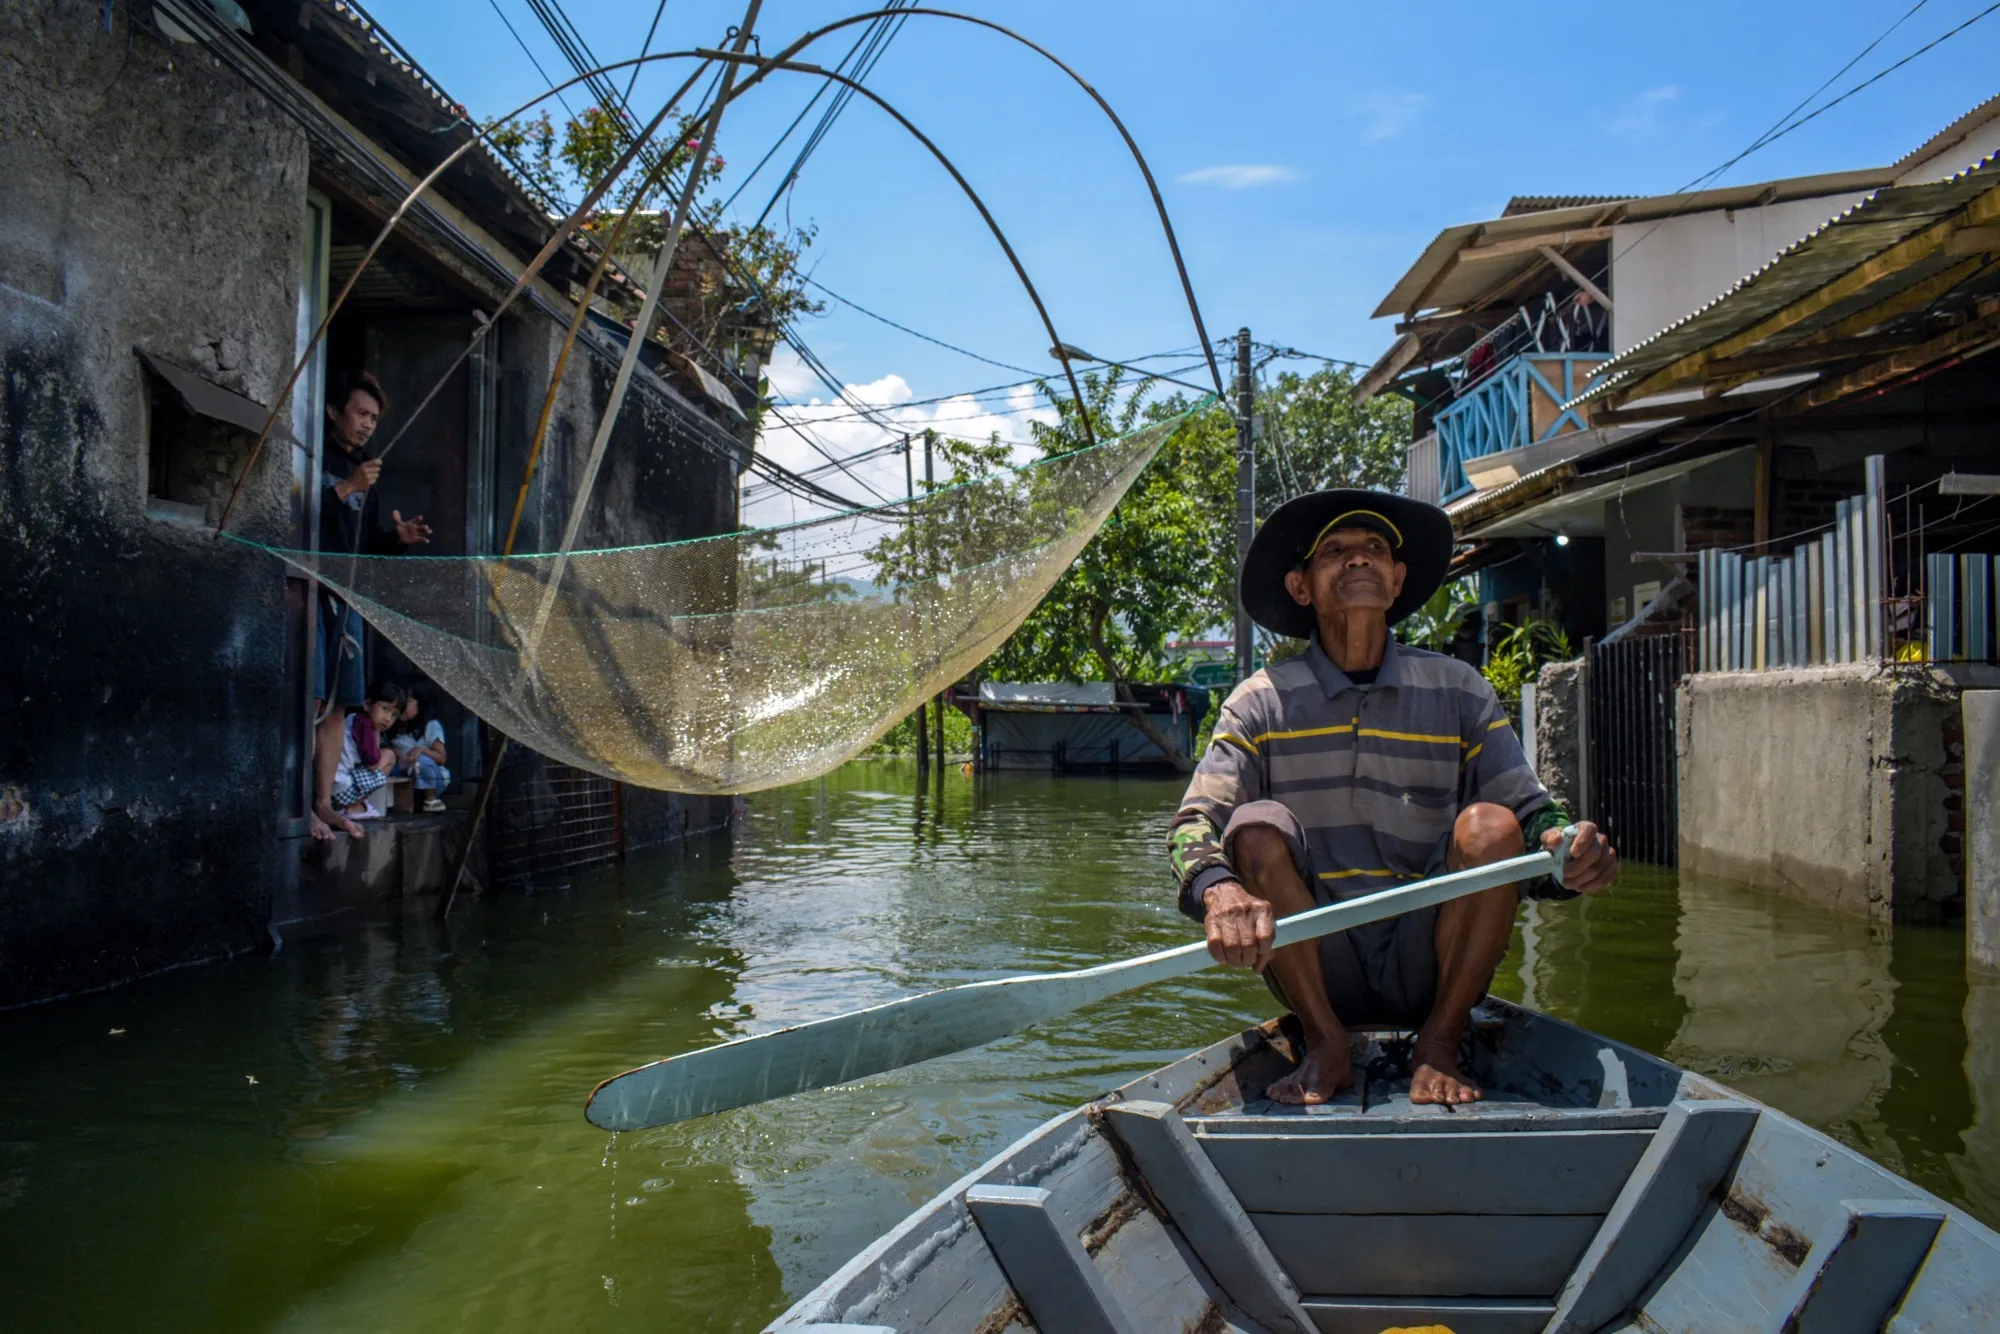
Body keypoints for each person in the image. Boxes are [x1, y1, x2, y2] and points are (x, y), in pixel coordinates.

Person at [1167, 489, 1618, 1107]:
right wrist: (1220, 892)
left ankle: (1440, 1042)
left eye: (1374, 549)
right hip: (1318, 962)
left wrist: (1570, 854)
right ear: (1301, 587)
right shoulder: (1260, 700)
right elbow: (1195, 824)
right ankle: (1327, 1043)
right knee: (1252, 827)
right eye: (1335, 552)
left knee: (1490, 823)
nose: (1358, 560)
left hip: (1432, 956)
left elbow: (1531, 814)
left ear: (1398, 579)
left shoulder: (1457, 689)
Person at [310, 369, 431, 841]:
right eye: (360, 413)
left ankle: (325, 803)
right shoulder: (313, 456)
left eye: (374, 418)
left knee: (342, 704)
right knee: (314, 698)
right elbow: (299, 519)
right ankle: (305, 805)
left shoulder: (366, 471)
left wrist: (397, 540)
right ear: (333, 412)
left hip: (349, 597)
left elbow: (366, 547)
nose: (366, 425)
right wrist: (346, 488)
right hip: (311, 590)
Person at [331, 680, 408, 820]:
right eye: (385, 709)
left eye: (394, 715)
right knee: (389, 756)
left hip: (332, 788)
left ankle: (350, 806)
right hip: (340, 790)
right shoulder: (365, 727)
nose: (388, 719)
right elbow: (373, 764)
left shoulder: (354, 719)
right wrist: (377, 737)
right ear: (367, 705)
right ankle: (353, 807)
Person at [391, 685, 453, 813]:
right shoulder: (390, 726)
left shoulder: (430, 726)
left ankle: (431, 800)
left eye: (407, 701)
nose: (401, 704)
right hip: (404, 778)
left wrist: (421, 750)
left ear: (420, 704)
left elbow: (442, 759)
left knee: (421, 760)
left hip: (432, 780)